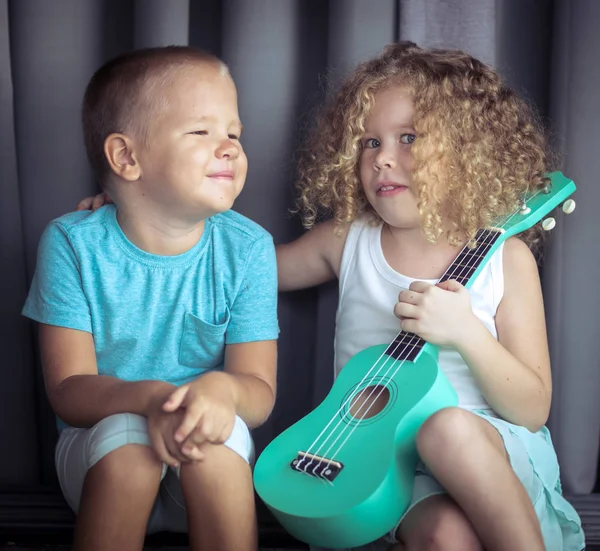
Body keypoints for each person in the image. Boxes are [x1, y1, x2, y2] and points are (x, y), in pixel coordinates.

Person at [77, 42, 585, 550]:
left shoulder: (504, 258)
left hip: (493, 455)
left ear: (467, 149)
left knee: (446, 429)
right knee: (444, 538)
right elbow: (235, 268)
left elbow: (532, 408)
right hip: (392, 467)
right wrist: (135, 215)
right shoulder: (349, 240)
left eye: (408, 138)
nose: (383, 158)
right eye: (368, 143)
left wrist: (466, 333)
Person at [23, 46, 279, 551]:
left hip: (203, 462)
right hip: (101, 452)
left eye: (234, 133)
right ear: (126, 157)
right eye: (201, 131)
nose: (228, 146)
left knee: (215, 439)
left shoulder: (249, 247)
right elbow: (70, 391)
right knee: (130, 442)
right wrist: (152, 400)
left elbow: (258, 389)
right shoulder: (72, 243)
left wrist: (221, 393)